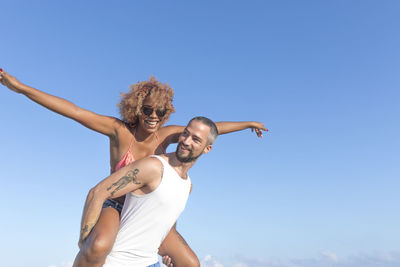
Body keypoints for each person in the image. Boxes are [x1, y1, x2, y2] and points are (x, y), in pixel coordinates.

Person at [0, 69, 267, 267]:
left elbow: (210, 129)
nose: (153, 117)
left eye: (160, 112)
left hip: (150, 211)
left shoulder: (167, 134)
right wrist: (20, 87)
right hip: (117, 205)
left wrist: (247, 124)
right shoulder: (119, 132)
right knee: (98, 247)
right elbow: (75, 111)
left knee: (191, 264)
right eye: (148, 110)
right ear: (137, 108)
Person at [77, 116, 218, 267]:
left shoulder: (187, 186)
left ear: (207, 149)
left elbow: (166, 222)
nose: (186, 141)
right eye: (185, 133)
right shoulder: (154, 166)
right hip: (116, 261)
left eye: (196, 139)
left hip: (149, 263)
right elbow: (97, 192)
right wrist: (84, 242)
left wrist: (167, 254)